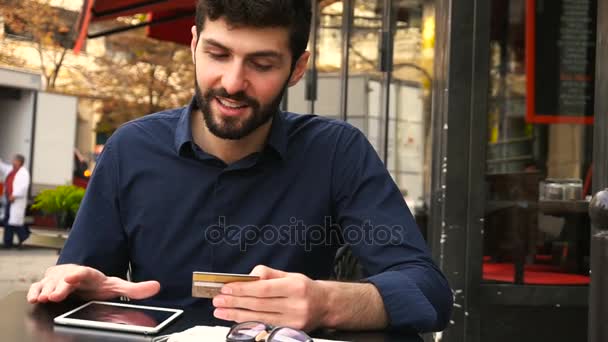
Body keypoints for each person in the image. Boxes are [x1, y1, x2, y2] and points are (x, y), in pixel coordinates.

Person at [27, 0, 452, 333]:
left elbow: (430, 294)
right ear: (194, 45)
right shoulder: (130, 148)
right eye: (217, 54)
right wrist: (72, 290)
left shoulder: (337, 152)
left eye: (262, 64)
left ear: (297, 69)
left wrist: (327, 302)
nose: (232, 82)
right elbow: (73, 288)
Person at [0, 154, 31, 248]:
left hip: (16, 200)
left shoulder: (23, 173)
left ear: (19, 162)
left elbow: (24, 187)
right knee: (9, 222)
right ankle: (8, 243)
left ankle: (25, 240)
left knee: (15, 223)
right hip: (9, 199)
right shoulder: (11, 170)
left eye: (14, 160)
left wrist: (14, 195)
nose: (13, 161)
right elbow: (2, 167)